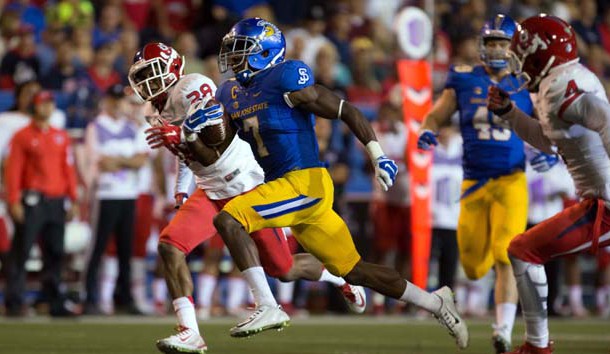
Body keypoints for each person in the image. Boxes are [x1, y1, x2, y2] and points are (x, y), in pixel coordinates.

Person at [206, 18, 468, 349]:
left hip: (304, 183)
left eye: (241, 51)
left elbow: (347, 111)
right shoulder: (229, 93)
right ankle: (437, 303)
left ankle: (268, 305)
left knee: (228, 219)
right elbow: (219, 145)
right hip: (288, 187)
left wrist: (377, 155)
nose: (234, 59)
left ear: (266, 53)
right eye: (231, 51)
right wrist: (200, 129)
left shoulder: (285, 77)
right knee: (355, 270)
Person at [128, 42, 366, 354]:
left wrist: (183, 133)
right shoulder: (154, 110)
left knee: (283, 270)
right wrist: (181, 187)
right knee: (170, 245)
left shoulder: (193, 87)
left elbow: (215, 140)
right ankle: (190, 331)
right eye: (141, 75)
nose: (147, 80)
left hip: (245, 185)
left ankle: (340, 277)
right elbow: (186, 152)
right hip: (211, 188)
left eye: (150, 71)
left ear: (172, 67)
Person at [417, 14, 556, 353]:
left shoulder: (526, 85)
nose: (496, 49)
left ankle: (503, 331)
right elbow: (438, 112)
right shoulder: (465, 80)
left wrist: (551, 152)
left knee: (507, 253)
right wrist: (427, 127)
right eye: (491, 42)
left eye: (502, 43)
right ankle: (491, 315)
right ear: (482, 46)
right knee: (474, 266)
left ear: (514, 47)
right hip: (473, 184)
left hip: (511, 179)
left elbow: (549, 129)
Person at [487, 14, 610, 354]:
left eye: (521, 53)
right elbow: (549, 140)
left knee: (524, 250)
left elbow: (603, 117)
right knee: (524, 249)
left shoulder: (561, 87)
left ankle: (537, 347)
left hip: (605, 206)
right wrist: (511, 114)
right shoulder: (559, 82)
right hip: (596, 202)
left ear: (540, 52)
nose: (518, 62)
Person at [4, 90, 79, 317]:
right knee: (22, 252)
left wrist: (73, 198)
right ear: (34, 107)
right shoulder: (22, 136)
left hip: (56, 201)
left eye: (50, 103)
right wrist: (14, 200)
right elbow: (13, 170)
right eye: (43, 103)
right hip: (32, 200)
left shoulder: (60, 136)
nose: (47, 108)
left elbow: (68, 168)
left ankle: (53, 301)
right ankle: (14, 302)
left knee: (55, 252)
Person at [83, 83, 149, 315]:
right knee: (98, 247)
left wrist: (118, 160)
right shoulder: (96, 126)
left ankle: (125, 297)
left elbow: (141, 160)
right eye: (114, 99)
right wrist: (126, 160)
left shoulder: (131, 127)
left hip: (127, 194)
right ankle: (90, 297)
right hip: (106, 193)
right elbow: (102, 161)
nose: (118, 104)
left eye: (120, 100)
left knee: (125, 249)